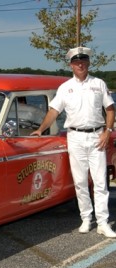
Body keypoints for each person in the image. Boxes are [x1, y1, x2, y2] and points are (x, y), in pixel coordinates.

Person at [31, 46, 116, 238]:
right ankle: (86, 218)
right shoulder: (65, 88)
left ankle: (103, 223)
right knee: (80, 181)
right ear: (71, 65)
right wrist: (40, 129)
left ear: (88, 63)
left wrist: (107, 131)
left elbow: (110, 109)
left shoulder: (99, 84)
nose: (81, 65)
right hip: (75, 137)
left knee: (100, 182)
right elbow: (54, 111)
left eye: (84, 62)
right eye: (77, 62)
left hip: (97, 137)